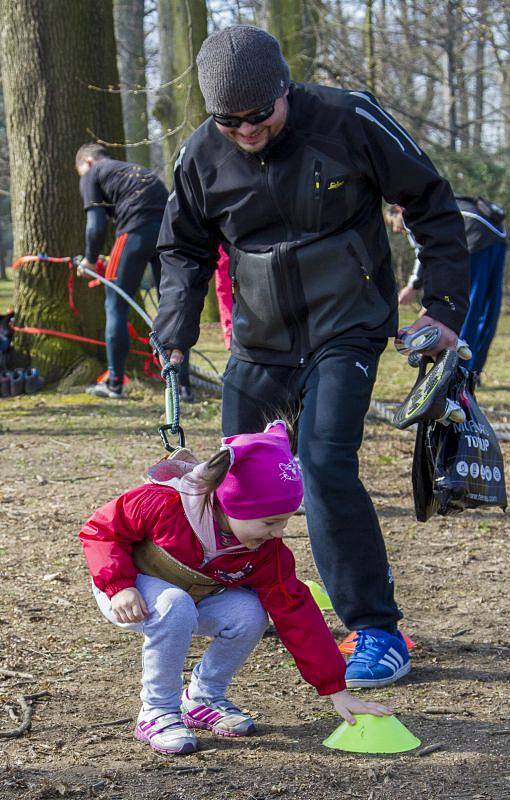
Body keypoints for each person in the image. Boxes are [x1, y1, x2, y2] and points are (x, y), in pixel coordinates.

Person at [153, 25, 470, 687]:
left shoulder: (347, 119)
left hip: (346, 325)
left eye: (258, 115)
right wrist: (175, 328)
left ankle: (377, 627)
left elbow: (430, 201)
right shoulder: (200, 156)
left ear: (283, 91)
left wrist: (441, 310)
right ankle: (244, 600)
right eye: (227, 120)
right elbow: (181, 248)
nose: (244, 131)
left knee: (323, 464)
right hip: (260, 340)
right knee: (236, 480)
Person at [78, 421, 393, 755]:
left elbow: (296, 610)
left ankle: (203, 697)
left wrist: (335, 688)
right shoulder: (163, 504)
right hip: (128, 593)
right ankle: (157, 711)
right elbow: (101, 531)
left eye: (285, 521)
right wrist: (118, 585)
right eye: (269, 522)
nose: (278, 533)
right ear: (230, 505)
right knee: (174, 604)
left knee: (250, 612)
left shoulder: (266, 551)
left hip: (192, 599)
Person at [75, 143, 194, 401]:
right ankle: (182, 386)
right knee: (172, 307)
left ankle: (115, 384)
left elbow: (95, 226)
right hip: (168, 235)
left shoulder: (92, 174)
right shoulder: (133, 170)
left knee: (115, 305)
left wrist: (90, 261)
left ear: (88, 162)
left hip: (133, 233)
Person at [394, 198, 507, 375]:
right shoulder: (440, 202)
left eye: (392, 222)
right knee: (488, 307)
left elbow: (423, 253)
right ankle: (474, 369)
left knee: (469, 306)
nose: (395, 229)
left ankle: (460, 369)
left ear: (398, 210)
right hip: (498, 234)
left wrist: (413, 287)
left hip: (475, 235)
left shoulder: (412, 213)